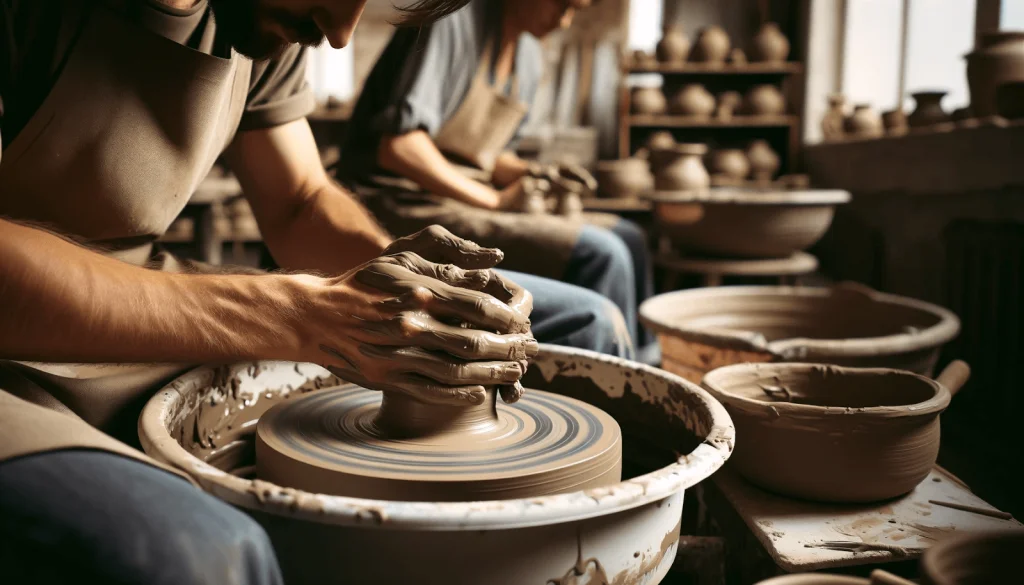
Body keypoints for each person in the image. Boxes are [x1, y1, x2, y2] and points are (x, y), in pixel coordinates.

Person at [0, 0, 632, 582]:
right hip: (16, 363)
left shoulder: (257, 15)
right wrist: (296, 313)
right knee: (199, 555)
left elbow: (301, 201)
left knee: (578, 323)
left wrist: (412, 290)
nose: (340, 33)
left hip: (142, 302)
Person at [339, 0, 657, 361]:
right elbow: (401, 147)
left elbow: (488, 155)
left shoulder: (529, 56)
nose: (565, 22)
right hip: (396, 200)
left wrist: (533, 173)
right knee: (602, 255)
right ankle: (617, 391)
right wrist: (495, 202)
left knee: (631, 238)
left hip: (462, 196)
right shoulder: (450, 19)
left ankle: (647, 369)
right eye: (563, 6)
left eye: (575, 12)